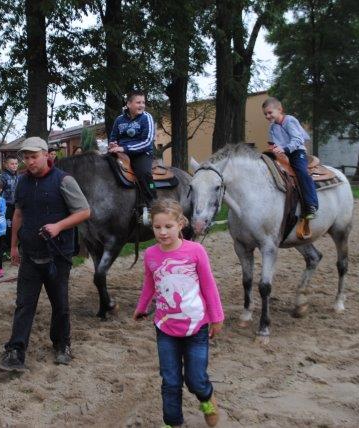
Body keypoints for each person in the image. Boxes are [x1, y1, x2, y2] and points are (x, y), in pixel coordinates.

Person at [0, 136, 91, 372]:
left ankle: (62, 345)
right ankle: (15, 351)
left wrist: (58, 226)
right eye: (26, 157)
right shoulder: (22, 182)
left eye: (34, 156)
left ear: (47, 155)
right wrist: (14, 246)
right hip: (30, 253)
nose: (30, 162)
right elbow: (18, 213)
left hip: (58, 254)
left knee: (60, 303)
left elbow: (84, 211)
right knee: (24, 304)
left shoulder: (64, 180)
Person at [133, 198, 224, 428]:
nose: (162, 232)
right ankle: (173, 423)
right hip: (165, 328)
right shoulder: (151, 254)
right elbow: (149, 284)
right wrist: (142, 307)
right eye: (157, 227)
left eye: (168, 226)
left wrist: (217, 317)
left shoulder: (195, 251)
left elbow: (209, 285)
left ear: (180, 224)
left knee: (195, 380)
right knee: (170, 381)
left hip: (196, 327)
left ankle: (207, 397)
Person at [262, 96, 319, 219]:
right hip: (283, 154)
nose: (267, 116)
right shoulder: (272, 127)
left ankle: (311, 204)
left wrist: (285, 149)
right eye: (265, 114)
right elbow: (273, 143)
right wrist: (273, 149)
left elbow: (298, 139)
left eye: (270, 112)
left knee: (301, 172)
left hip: (297, 152)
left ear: (280, 109)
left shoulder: (289, 121)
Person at [108, 90, 157, 223]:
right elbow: (113, 137)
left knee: (144, 173)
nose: (142, 105)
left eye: (143, 102)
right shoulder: (119, 120)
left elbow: (147, 142)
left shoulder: (146, 118)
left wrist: (125, 148)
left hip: (141, 153)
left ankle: (153, 205)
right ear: (128, 104)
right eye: (138, 102)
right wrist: (113, 144)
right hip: (121, 153)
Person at [0, 156, 19, 256]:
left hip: (16, 206)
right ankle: (6, 248)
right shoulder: (3, 177)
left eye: (16, 164)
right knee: (8, 227)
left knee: (16, 226)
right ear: (6, 165)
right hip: (7, 206)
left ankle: (14, 246)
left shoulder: (17, 176)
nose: (14, 166)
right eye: (12, 164)